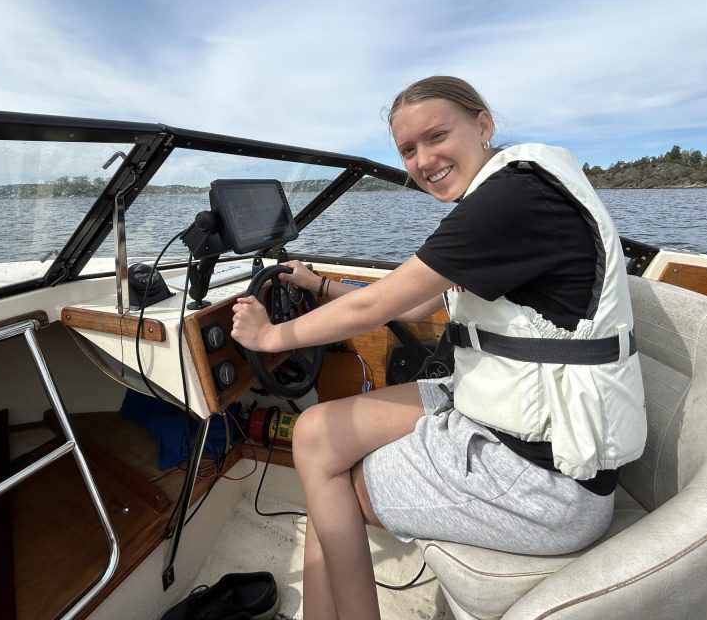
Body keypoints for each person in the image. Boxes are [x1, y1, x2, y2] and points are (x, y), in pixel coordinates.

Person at [231, 76, 647, 620]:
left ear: (483, 125)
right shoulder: (510, 192)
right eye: (408, 149)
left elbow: (372, 309)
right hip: (507, 419)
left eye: (436, 137)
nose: (424, 160)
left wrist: (268, 337)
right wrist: (319, 286)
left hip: (551, 485)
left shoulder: (513, 201)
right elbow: (414, 305)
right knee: (314, 434)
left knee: (335, 491)